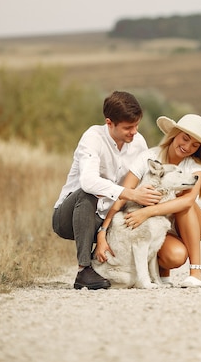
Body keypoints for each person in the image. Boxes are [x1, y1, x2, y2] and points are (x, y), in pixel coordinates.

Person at [95, 113, 201, 288]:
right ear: (174, 134)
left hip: (192, 222)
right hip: (162, 224)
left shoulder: (194, 167)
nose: (187, 147)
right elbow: (124, 194)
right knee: (175, 255)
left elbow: (187, 201)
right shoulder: (148, 157)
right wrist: (103, 230)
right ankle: (161, 275)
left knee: (185, 202)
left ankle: (196, 272)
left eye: (195, 145)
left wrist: (146, 212)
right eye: (185, 139)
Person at [52, 91, 162, 290]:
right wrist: (130, 193)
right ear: (109, 123)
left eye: (137, 125)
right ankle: (83, 270)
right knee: (89, 193)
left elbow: (142, 181)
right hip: (69, 217)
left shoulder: (138, 143)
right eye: (128, 127)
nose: (134, 131)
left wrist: (105, 231)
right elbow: (88, 182)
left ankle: (133, 268)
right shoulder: (92, 138)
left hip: (106, 220)